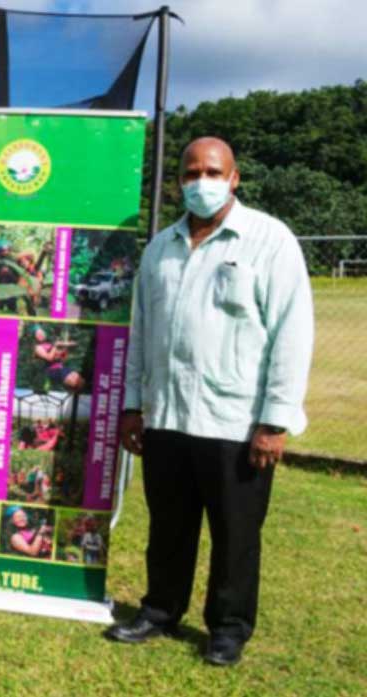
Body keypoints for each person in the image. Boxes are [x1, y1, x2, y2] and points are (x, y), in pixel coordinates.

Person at [106, 137, 314, 667]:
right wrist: (133, 405)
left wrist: (275, 419)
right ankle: (159, 609)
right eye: (192, 172)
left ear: (235, 177)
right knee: (168, 526)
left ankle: (227, 628)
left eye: (213, 171)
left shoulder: (269, 240)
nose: (202, 181)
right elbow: (142, 331)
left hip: (236, 420)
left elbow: (292, 333)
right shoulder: (160, 249)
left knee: (236, 533)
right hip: (169, 416)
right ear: (179, 181)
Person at [33, 326, 84, 393]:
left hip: (49, 367)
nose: (73, 375)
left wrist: (58, 347)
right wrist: (66, 347)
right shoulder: (43, 345)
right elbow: (58, 356)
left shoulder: (63, 375)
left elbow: (50, 358)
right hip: (51, 365)